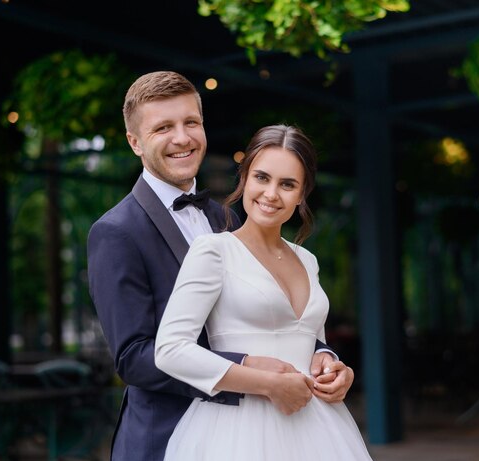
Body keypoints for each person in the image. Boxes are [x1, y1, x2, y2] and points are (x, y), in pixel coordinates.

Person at [87, 71, 354, 461]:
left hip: (279, 429)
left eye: (191, 122)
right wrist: (253, 374)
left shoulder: (231, 219)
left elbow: (273, 318)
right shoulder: (116, 232)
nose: (182, 138)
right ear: (135, 142)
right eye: (163, 127)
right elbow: (135, 357)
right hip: (166, 435)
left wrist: (324, 357)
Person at [155, 124, 373, 460]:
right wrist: (267, 384)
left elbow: (311, 339)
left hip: (318, 427)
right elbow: (170, 350)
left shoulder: (308, 259)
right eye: (262, 178)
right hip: (236, 431)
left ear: (301, 195)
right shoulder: (213, 251)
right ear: (244, 179)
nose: (271, 194)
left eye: (287, 184)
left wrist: (333, 365)